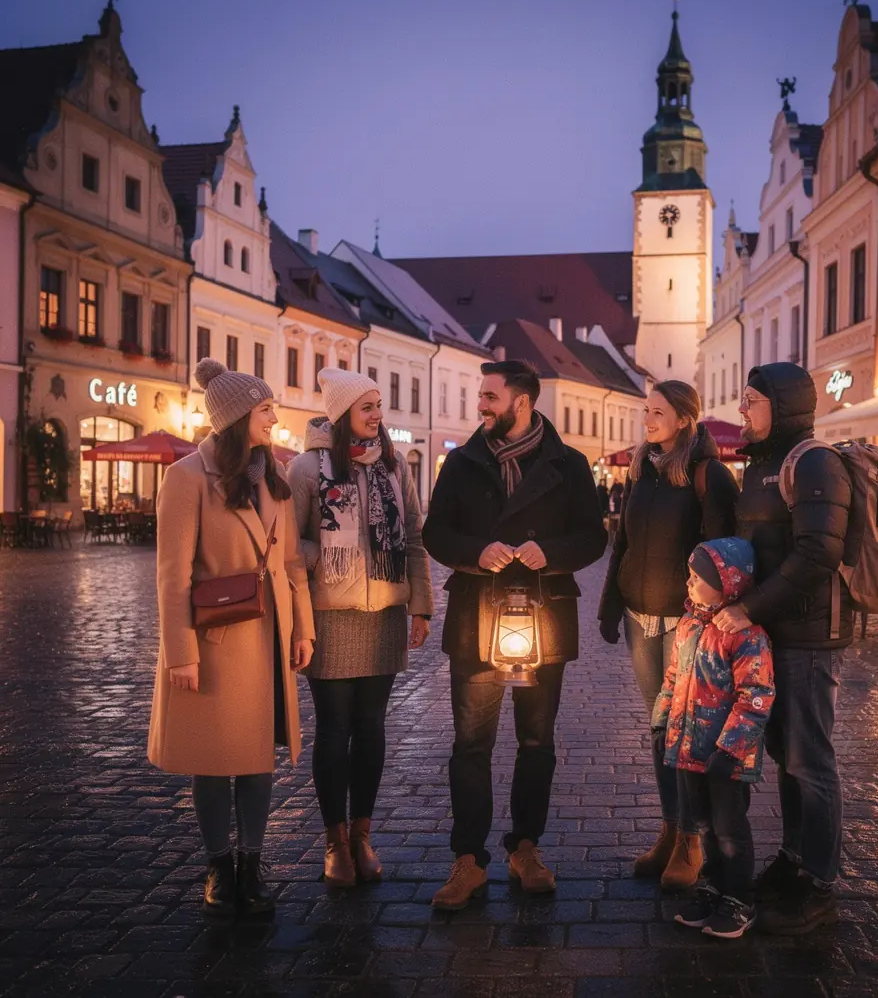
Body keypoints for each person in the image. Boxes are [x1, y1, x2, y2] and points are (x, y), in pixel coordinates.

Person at [422, 359, 607, 910]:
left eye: (490, 397)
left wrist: (551, 553)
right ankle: (469, 859)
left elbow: (593, 538)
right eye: (481, 396)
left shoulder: (569, 464)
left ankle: (526, 848)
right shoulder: (462, 462)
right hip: (476, 614)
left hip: (542, 614)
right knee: (470, 745)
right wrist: (476, 552)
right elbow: (435, 533)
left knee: (536, 742)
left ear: (521, 402)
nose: (480, 405)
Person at [148, 358, 315, 917]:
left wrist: (303, 629)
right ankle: (219, 866)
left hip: (270, 636)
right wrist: (181, 654)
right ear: (239, 415)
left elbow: (292, 564)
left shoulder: (275, 477)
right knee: (215, 759)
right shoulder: (187, 478)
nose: (274, 418)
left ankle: (251, 862)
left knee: (258, 757)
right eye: (266, 409)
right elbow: (172, 575)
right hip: (215, 640)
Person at [713, 362, 852, 935]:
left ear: (783, 405)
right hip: (772, 633)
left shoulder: (815, 462)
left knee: (808, 759)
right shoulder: (761, 465)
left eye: (752, 400)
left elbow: (818, 552)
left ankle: (819, 882)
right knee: (785, 755)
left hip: (811, 635)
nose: (742, 409)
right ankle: (795, 860)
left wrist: (750, 608)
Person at [286, 368, 433, 887]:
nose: (377, 415)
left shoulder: (393, 465)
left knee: (371, 728)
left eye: (377, 406)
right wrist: (325, 554)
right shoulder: (307, 468)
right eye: (367, 407)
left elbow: (412, 534)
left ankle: (362, 835)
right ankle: (335, 841)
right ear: (342, 413)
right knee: (333, 729)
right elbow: (288, 544)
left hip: (384, 614)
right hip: (329, 615)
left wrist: (420, 606)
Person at [598, 381, 738, 888]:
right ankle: (670, 827)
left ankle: (692, 840)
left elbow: (722, 554)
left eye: (658, 412)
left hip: (685, 622)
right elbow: (623, 543)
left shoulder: (708, 475)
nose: (648, 419)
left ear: (684, 418)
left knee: (688, 730)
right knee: (660, 729)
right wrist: (610, 605)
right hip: (640, 618)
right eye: (646, 410)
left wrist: (709, 616)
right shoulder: (641, 469)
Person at [653, 538, 774, 939]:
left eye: (697, 577)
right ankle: (713, 886)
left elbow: (756, 696)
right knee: (703, 824)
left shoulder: (746, 635)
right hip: (689, 750)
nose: (688, 583)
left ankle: (739, 898)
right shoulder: (688, 624)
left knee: (729, 828)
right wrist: (662, 721)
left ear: (727, 583)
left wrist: (731, 749)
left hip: (724, 756)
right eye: (689, 575)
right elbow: (674, 677)